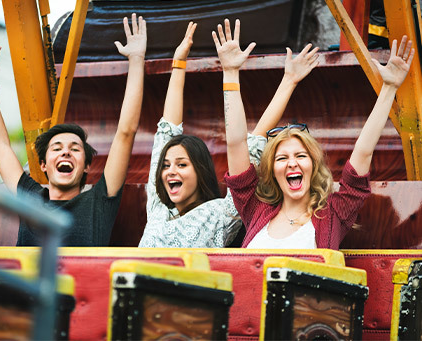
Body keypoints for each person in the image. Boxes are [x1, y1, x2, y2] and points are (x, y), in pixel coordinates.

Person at [215, 18, 415, 250]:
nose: (292, 163)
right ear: (271, 171)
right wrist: (230, 73)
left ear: (313, 164)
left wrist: (389, 88)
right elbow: (237, 143)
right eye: (282, 158)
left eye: (300, 156)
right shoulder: (254, 207)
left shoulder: (334, 212)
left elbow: (363, 150)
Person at [0, 13, 147, 246]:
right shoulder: (30, 197)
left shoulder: (99, 201)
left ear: (86, 166)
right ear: (43, 165)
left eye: (75, 149)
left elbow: (126, 132)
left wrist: (136, 60)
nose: (65, 153)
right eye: (57, 148)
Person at [139, 22, 319, 248]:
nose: (170, 171)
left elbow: (249, 144)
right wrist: (178, 64)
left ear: (201, 171)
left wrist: (288, 82)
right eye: (166, 166)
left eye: (182, 165)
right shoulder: (158, 208)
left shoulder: (221, 213)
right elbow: (166, 132)